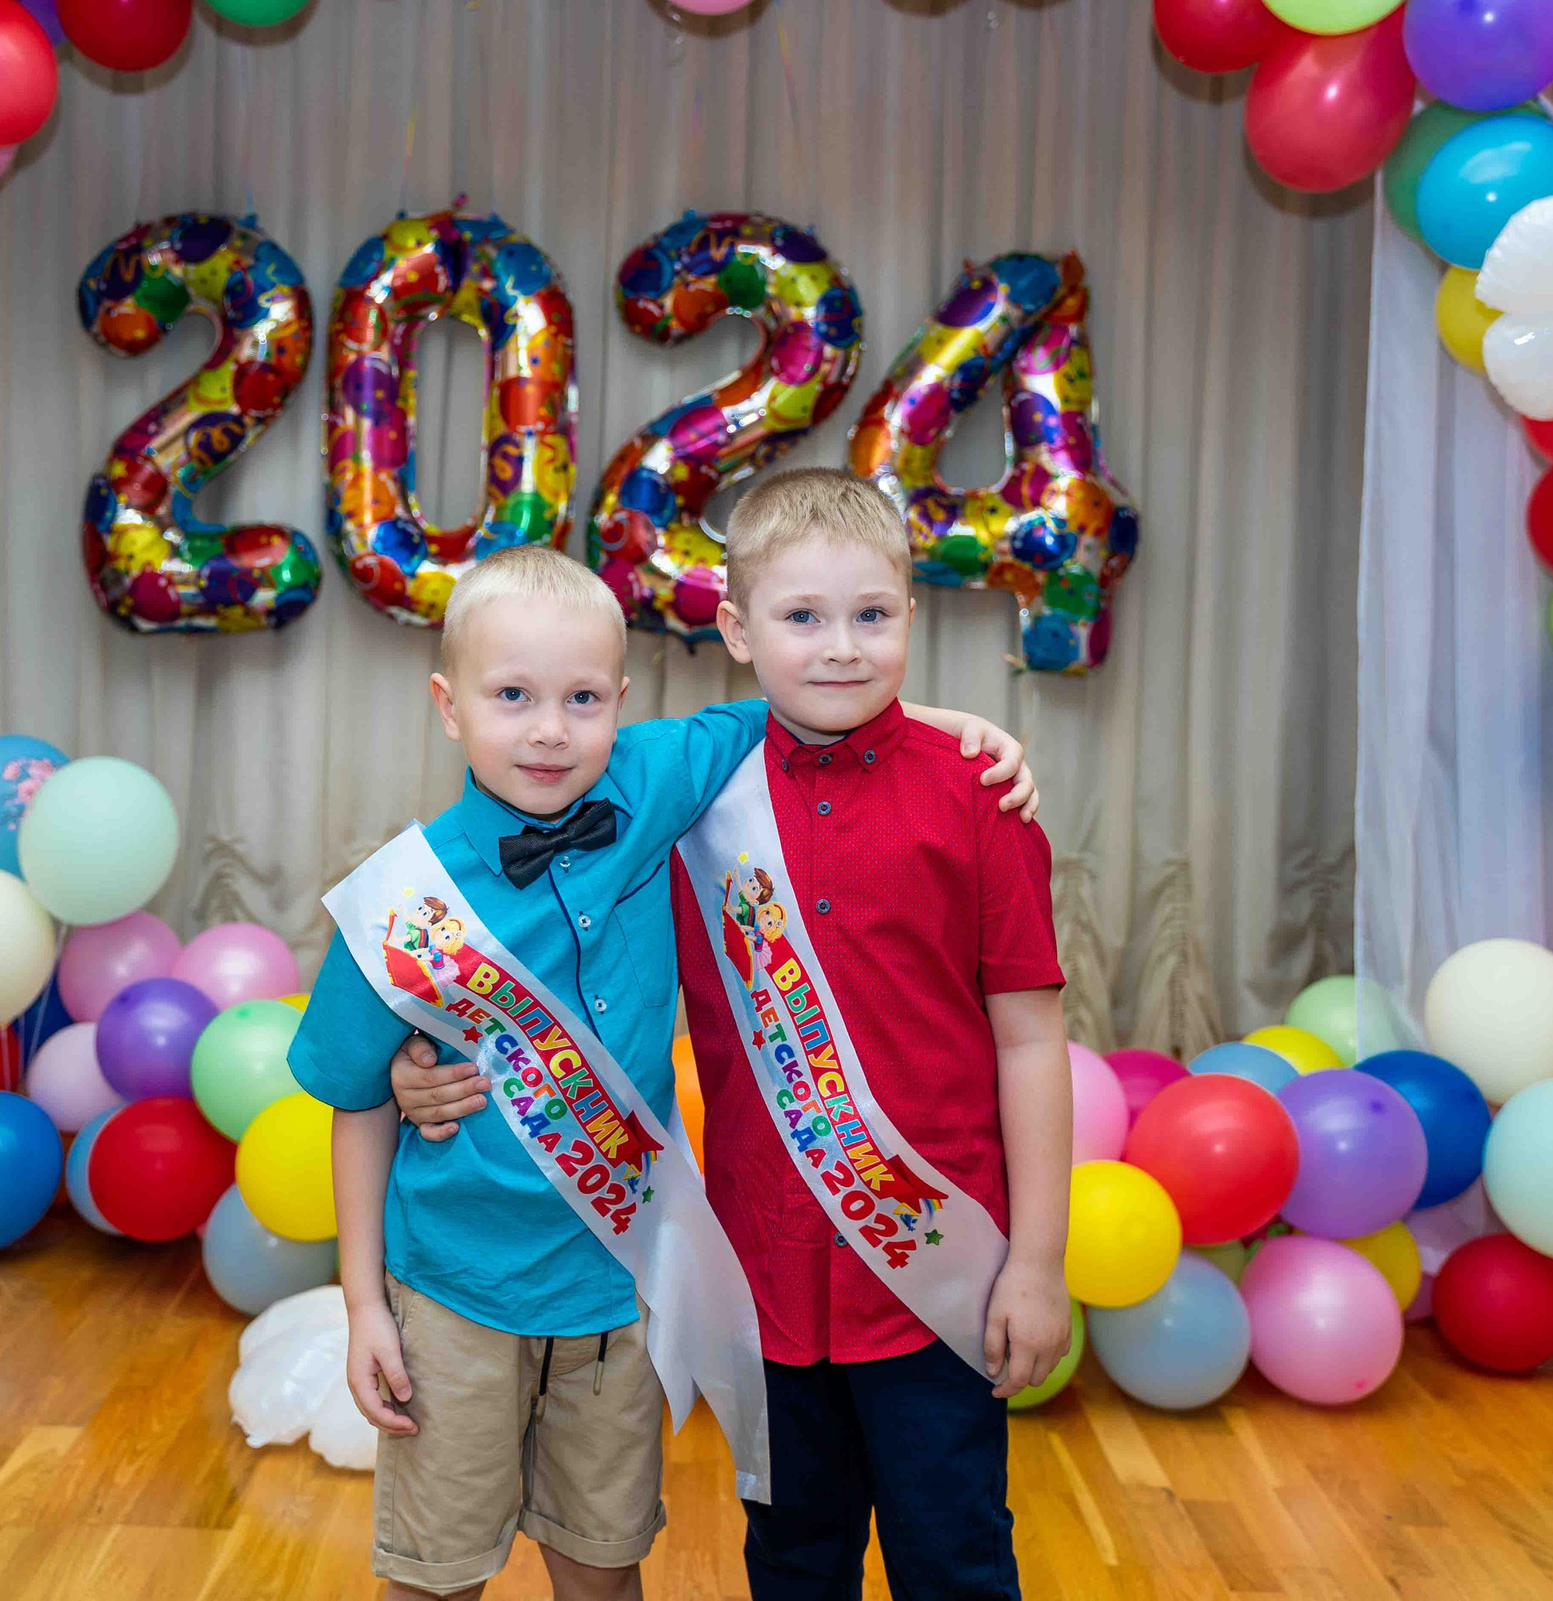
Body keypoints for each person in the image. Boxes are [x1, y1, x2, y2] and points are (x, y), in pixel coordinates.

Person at [290, 541, 1040, 1601]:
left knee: (604, 1562)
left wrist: (962, 731)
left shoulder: (654, 780)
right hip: (453, 1290)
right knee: (434, 1571)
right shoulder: (399, 903)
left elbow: (814, 705)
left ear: (621, 702)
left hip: (618, 1288)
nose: (550, 729)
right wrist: (362, 1301)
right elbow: (356, 1104)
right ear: (448, 705)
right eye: (511, 696)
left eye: (582, 698)